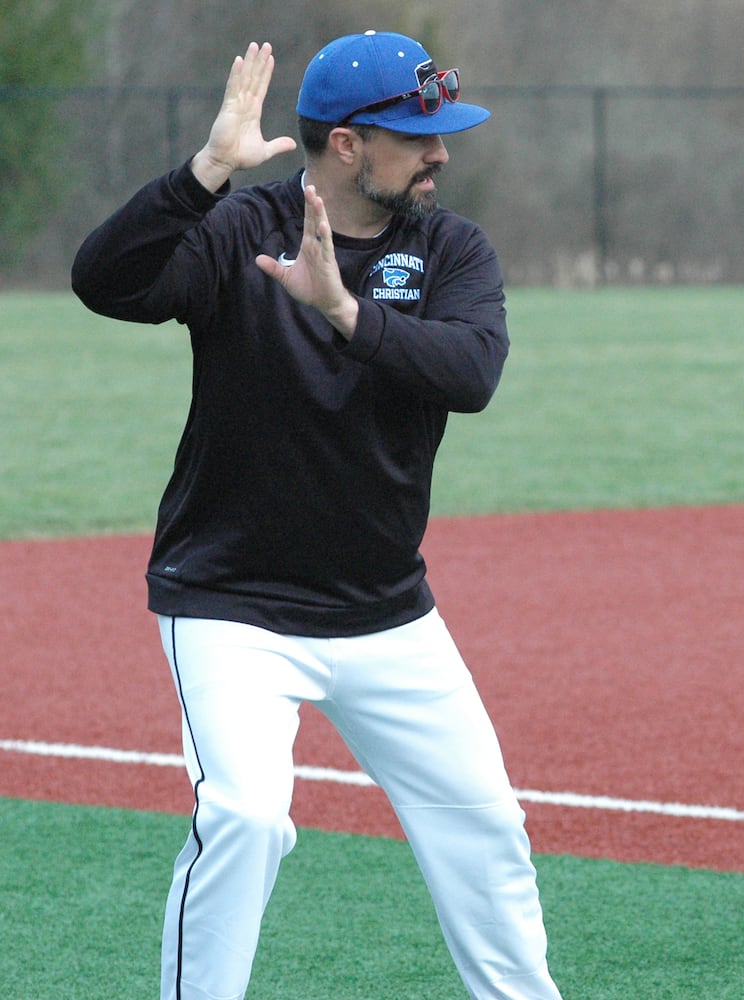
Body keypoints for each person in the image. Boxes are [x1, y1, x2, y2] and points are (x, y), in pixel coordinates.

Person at [72, 32, 562, 1000]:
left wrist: (345, 310)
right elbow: (108, 282)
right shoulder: (237, 230)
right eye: (418, 136)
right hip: (230, 604)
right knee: (247, 817)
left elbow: (469, 375)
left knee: (486, 826)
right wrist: (207, 168)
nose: (441, 154)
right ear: (347, 143)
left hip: (388, 611)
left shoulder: (451, 247)